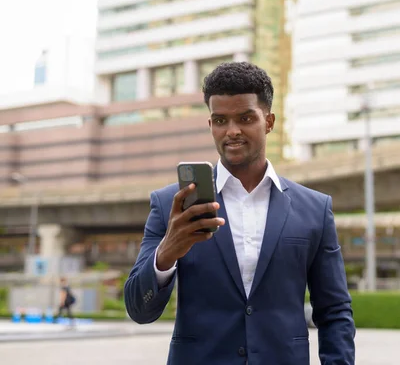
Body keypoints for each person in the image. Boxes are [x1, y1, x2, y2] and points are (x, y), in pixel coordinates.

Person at [124, 62, 356, 364]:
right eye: (220, 120)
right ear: (210, 125)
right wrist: (166, 254)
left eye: (245, 118)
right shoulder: (172, 204)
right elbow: (139, 310)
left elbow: (335, 311)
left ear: (269, 121)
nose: (232, 131)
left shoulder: (314, 209)